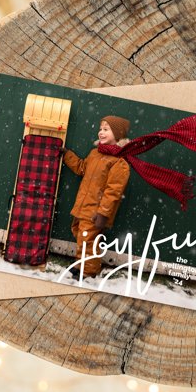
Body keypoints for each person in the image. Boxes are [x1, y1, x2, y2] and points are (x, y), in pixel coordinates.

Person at [62, 116, 131, 280]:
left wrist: (103, 213)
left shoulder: (119, 163)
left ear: (118, 135)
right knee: (80, 235)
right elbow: (81, 168)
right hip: (82, 206)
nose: (101, 132)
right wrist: (66, 155)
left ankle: (88, 272)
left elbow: (113, 191)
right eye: (100, 129)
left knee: (88, 241)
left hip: (96, 211)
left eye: (106, 129)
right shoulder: (95, 153)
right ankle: (81, 264)